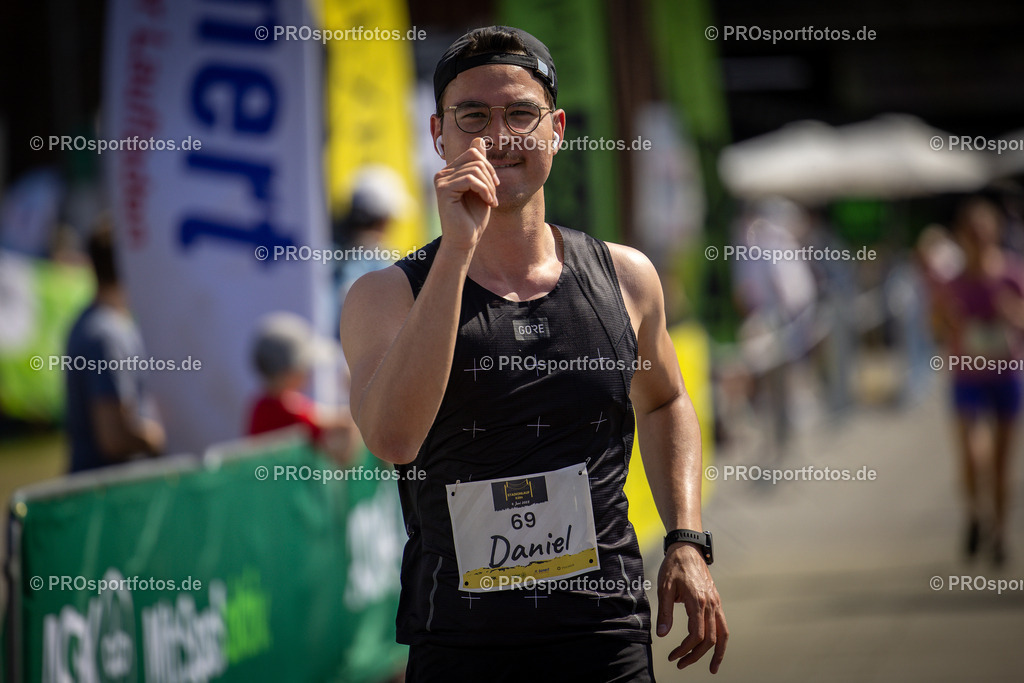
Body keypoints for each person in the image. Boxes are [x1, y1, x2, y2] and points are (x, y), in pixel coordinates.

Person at [340, 26, 727, 681]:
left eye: (521, 113)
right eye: (473, 116)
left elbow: (665, 399)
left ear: (557, 129)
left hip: (606, 636)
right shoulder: (386, 295)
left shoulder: (626, 277)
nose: (500, 135)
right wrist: (457, 250)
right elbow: (394, 439)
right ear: (438, 135)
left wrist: (686, 538)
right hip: (461, 646)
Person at [933, 197, 1024, 566]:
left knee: (1002, 463)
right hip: (967, 377)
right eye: (972, 232)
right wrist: (949, 321)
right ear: (961, 236)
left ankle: (999, 533)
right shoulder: (952, 282)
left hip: (1006, 375)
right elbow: (935, 324)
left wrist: (1011, 312)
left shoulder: (1012, 274)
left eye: (984, 231)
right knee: (973, 455)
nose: (978, 238)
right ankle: (975, 512)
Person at [65, 217, 164, 472]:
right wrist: (163, 438)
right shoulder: (107, 335)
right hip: (109, 487)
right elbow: (113, 438)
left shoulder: (98, 323)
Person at [247, 312, 357, 465]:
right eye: (305, 367)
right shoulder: (286, 409)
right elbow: (334, 422)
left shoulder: (261, 404)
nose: (309, 374)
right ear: (288, 373)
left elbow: (321, 416)